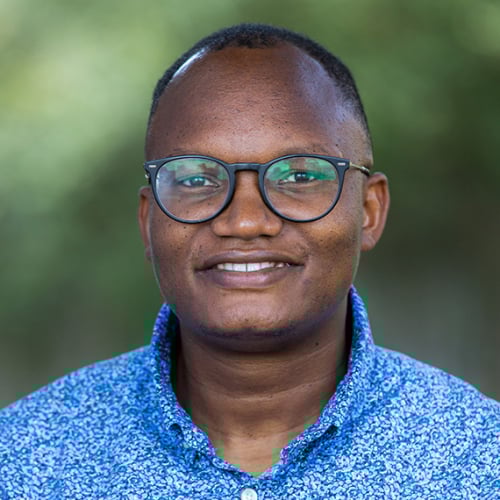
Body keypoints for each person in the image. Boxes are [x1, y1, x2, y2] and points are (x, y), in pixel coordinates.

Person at [1, 23, 498, 500]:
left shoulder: (478, 462)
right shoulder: (23, 462)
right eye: (196, 179)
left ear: (369, 210)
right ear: (149, 221)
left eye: (299, 176)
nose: (244, 222)